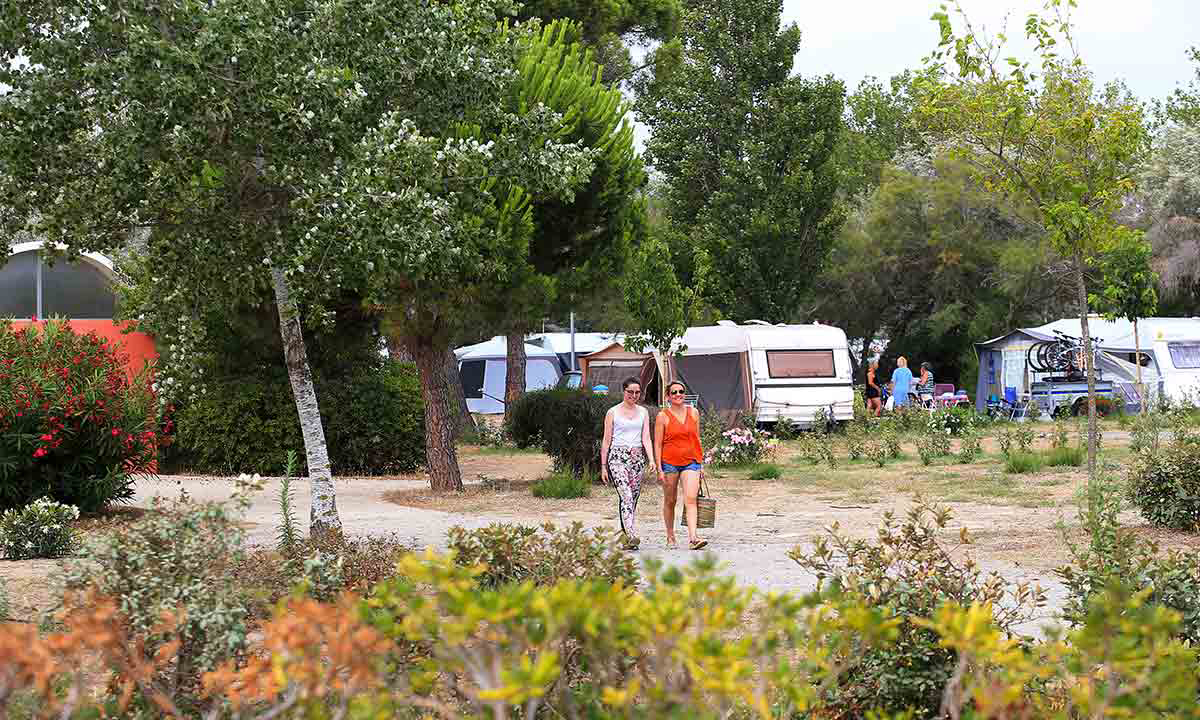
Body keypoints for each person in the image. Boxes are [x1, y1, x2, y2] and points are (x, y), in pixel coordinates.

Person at [600, 377, 656, 550]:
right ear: (624, 391)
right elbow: (606, 440)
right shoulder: (613, 412)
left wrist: (651, 459)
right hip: (617, 457)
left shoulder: (643, 412)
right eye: (630, 392)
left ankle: (626, 536)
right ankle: (631, 534)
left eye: (637, 392)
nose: (633, 395)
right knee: (626, 495)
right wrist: (603, 466)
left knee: (633, 497)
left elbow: (646, 437)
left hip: (637, 457)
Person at [655, 380, 708, 550]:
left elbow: (697, 438)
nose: (678, 395)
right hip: (669, 463)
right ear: (668, 396)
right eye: (674, 392)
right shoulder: (662, 416)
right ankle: (670, 536)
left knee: (691, 499)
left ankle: (693, 537)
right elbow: (658, 444)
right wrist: (659, 468)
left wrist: (701, 464)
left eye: (681, 391)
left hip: (691, 462)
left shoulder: (694, 412)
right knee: (670, 500)